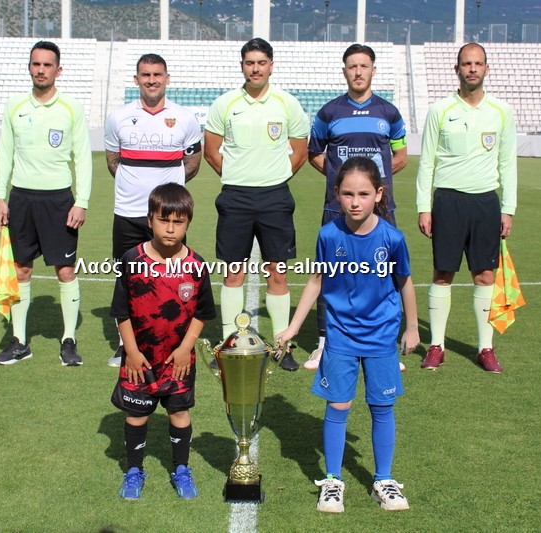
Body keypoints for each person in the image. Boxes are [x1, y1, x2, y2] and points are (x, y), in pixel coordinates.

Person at [277, 157, 418, 513]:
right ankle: (333, 480)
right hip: (340, 335)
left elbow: (405, 282)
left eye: (363, 194)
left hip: (382, 336)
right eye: (348, 194)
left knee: (382, 407)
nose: (355, 202)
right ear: (337, 194)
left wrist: (413, 327)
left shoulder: (392, 238)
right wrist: (294, 327)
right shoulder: (328, 235)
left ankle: (383, 480)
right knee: (338, 406)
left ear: (379, 194)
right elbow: (316, 281)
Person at [203, 38, 309, 371]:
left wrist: (273, 178)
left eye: (261, 62)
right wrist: (238, 177)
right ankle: (228, 344)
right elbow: (211, 151)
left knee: (278, 273)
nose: (256, 68)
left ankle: (282, 345)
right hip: (235, 197)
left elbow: (300, 152)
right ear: (242, 66)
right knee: (233, 272)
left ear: (271, 65)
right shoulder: (225, 104)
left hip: (275, 197)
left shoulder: (287, 103)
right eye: (250, 62)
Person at [416, 42, 517, 374]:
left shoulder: (501, 111)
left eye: (478, 63)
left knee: (485, 275)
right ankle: (436, 346)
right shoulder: (440, 110)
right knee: (443, 273)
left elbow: (508, 163)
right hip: (448, 201)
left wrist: (508, 208)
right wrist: (424, 206)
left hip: (485, 202)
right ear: (456, 68)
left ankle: (485, 348)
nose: (472, 68)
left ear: (486, 68)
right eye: (466, 63)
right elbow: (427, 161)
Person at [110, 183, 216, 500]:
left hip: (178, 361)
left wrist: (186, 348)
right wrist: (131, 351)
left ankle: (181, 468)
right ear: (149, 220)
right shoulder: (132, 260)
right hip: (139, 360)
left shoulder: (196, 266)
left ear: (188, 223)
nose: (170, 229)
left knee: (179, 414)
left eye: (178, 222)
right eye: (163, 220)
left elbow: (202, 313)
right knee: (136, 415)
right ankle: (133, 470)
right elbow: (121, 312)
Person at [306, 43, 408, 370]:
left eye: (364, 66)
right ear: (344, 71)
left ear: (373, 70)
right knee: (331, 274)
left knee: (384, 274)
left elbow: (400, 156)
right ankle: (324, 344)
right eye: (352, 66)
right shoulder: (329, 113)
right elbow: (314, 153)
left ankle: (386, 344)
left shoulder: (389, 113)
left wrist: (371, 188)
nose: (358, 72)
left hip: (381, 210)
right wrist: (342, 182)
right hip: (337, 209)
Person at [0, 40, 92, 367]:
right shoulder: (15, 105)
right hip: (21, 198)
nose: (41, 70)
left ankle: (68, 341)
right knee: (21, 269)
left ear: (58, 70)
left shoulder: (71, 108)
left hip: (59, 200)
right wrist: (0, 195)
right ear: (29, 67)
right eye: (36, 64)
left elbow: (83, 157)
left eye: (47, 65)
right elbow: (5, 151)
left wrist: (81, 201)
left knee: (65, 270)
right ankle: (20, 342)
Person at [104, 53, 203, 368]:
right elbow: (112, 161)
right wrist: (134, 187)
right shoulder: (118, 118)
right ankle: (126, 345)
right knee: (128, 278)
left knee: (172, 275)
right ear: (136, 79)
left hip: (168, 215)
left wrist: (167, 195)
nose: (151, 80)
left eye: (157, 74)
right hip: (128, 212)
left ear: (167, 78)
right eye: (145, 75)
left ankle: (171, 340)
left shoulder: (185, 118)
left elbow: (193, 162)